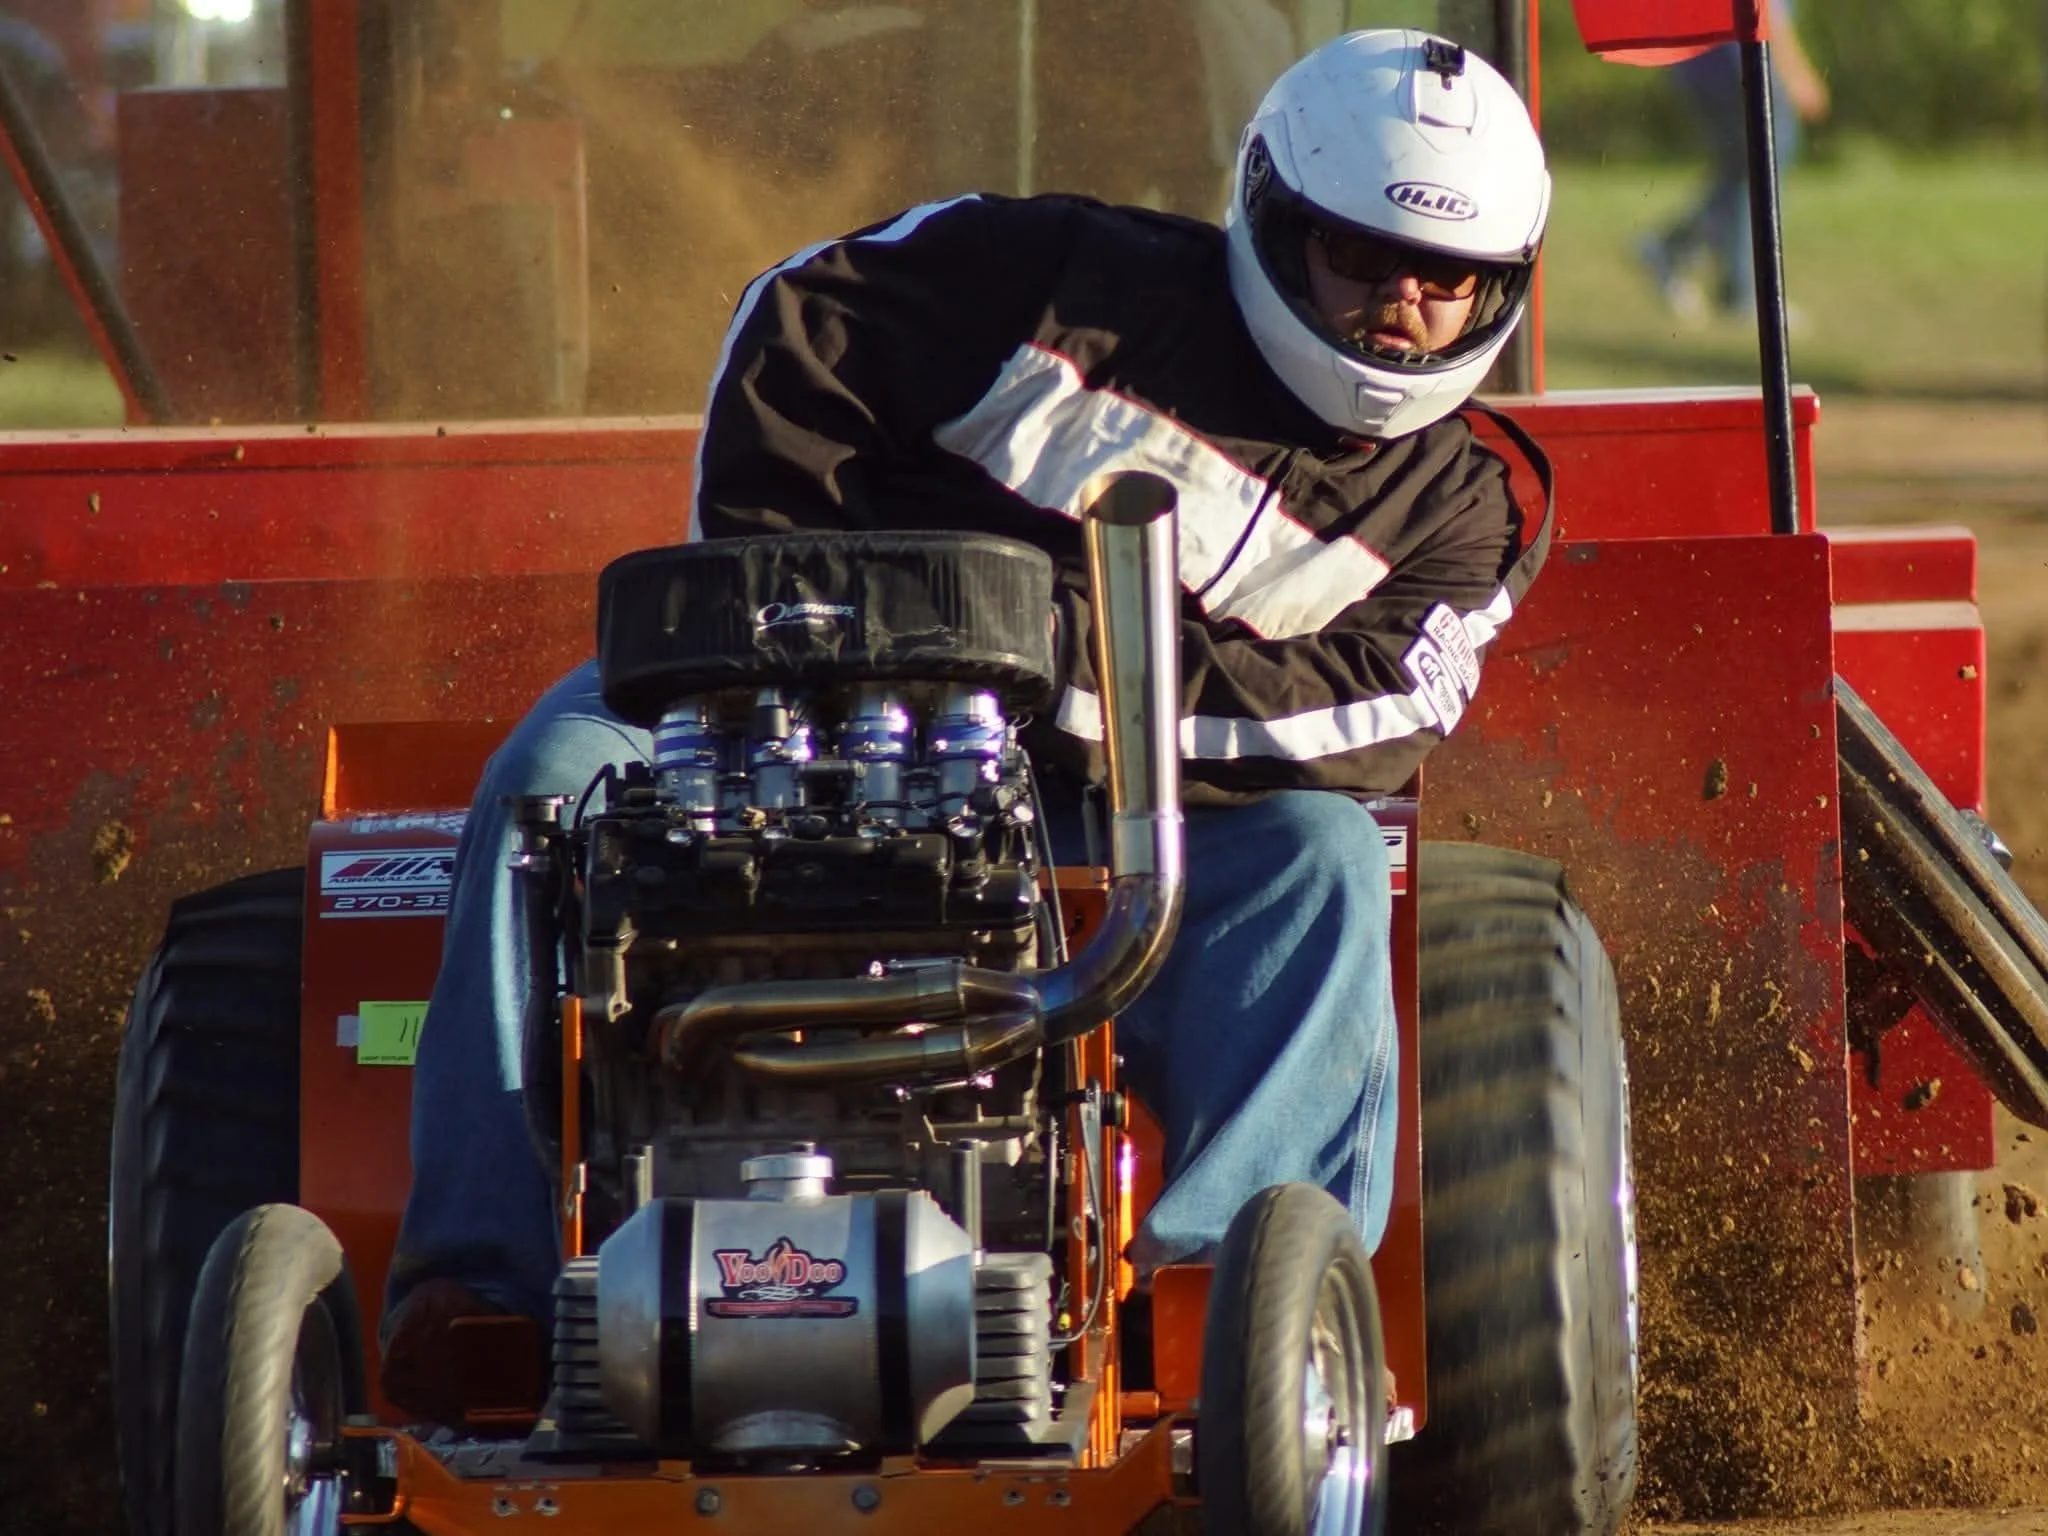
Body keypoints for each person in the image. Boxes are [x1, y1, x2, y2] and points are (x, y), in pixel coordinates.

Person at [378, 26, 1555, 1426]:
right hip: (790, 713)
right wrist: (799, 613)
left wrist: (1039, 676)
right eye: (1361, 260)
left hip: (1129, 824)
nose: (1400, 307)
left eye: (1449, 279)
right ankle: (488, 1298)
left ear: (1500, 289)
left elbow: (1358, 727)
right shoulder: (1053, 277)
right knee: (549, 785)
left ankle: (1217, 1332)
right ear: (1276, 218)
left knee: (1329, 862)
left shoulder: (1469, 510)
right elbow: (805, 316)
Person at [1637, 0, 1830, 322]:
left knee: (1743, 172)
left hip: (1704, 63)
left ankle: (1679, 252)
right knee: (1762, 166)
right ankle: (1739, 289)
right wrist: (1798, 75)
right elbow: (1765, 13)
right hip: (1740, 62)